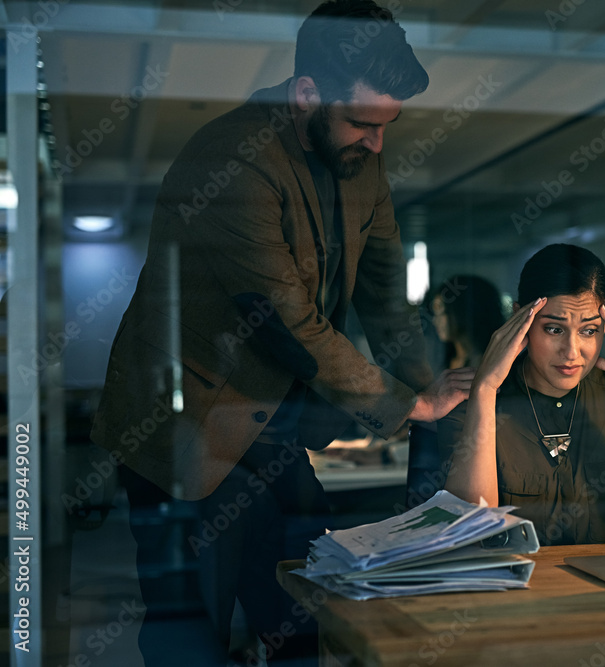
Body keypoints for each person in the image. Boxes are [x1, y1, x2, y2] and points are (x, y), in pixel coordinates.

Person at [89, 1, 472, 663]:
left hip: (270, 425)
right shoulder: (233, 157)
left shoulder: (362, 162)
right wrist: (407, 404)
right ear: (305, 95)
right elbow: (291, 323)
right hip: (186, 424)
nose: (377, 143)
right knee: (191, 630)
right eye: (361, 123)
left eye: (388, 127)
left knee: (301, 606)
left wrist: (429, 386)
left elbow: (387, 300)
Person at [439, 244, 605, 546]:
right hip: (509, 585)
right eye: (554, 329)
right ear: (519, 320)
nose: (572, 352)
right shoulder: (472, 397)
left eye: (589, 331)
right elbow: (470, 533)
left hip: (603, 586)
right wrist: (485, 391)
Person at [430, 275, 507, 370]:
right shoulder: (439, 360)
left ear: (461, 311)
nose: (434, 321)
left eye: (441, 312)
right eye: (434, 313)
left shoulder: (492, 363)